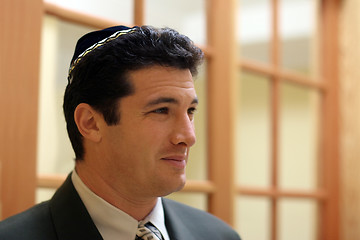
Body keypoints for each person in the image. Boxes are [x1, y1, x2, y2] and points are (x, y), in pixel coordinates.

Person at [0, 25, 241, 240]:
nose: (188, 137)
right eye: (161, 110)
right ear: (91, 123)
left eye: (190, 111)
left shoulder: (219, 235)